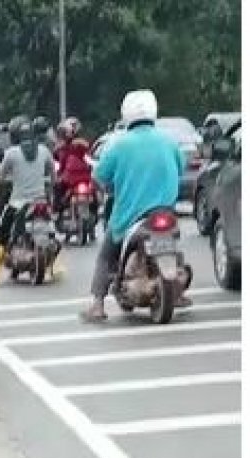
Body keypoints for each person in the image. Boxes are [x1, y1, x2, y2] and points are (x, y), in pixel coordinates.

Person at [80, 89, 190, 322]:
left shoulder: (118, 145)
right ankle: (178, 293)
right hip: (166, 213)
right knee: (176, 249)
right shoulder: (169, 142)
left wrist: (107, 190)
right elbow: (181, 168)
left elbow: (98, 178)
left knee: (106, 255)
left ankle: (98, 305)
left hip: (130, 216)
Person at [0, 117, 57, 284]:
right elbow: (53, 176)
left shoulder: (11, 154)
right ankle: (56, 266)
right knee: (51, 233)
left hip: (17, 203)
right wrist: (48, 188)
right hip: (41, 202)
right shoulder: (44, 151)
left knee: (1, 233)